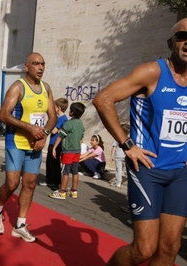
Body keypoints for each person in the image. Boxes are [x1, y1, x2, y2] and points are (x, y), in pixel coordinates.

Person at [92, 18, 187, 266]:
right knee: (144, 250)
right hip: (147, 171)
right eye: (181, 36)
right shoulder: (153, 72)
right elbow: (103, 99)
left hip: (181, 173)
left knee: (170, 248)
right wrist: (127, 144)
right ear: (171, 43)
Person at [0, 52, 56, 243]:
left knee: (30, 184)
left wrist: (44, 133)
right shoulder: (18, 87)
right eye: (36, 64)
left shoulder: (46, 88)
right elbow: (4, 115)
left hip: (36, 143)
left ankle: (20, 225)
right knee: (12, 183)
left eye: (43, 63)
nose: (40, 67)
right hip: (17, 141)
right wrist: (30, 128)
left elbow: (52, 116)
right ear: (27, 67)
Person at [48, 102, 85, 200]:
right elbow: (81, 137)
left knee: (65, 172)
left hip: (68, 151)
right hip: (77, 151)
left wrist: (55, 147)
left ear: (72, 112)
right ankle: (74, 191)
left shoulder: (68, 123)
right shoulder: (81, 124)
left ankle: (62, 192)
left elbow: (60, 136)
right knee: (75, 171)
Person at [40, 98, 68, 190]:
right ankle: (49, 180)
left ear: (58, 108)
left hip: (57, 144)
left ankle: (56, 182)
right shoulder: (57, 118)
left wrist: (50, 127)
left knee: (55, 164)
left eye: (54, 106)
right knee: (49, 162)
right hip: (52, 142)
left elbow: (53, 131)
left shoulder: (62, 118)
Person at [110, 123, 130, 188]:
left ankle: (118, 182)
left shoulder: (117, 138)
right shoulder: (128, 139)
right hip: (125, 156)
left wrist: (111, 156)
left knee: (118, 170)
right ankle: (129, 179)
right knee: (125, 169)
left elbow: (114, 147)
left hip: (118, 156)